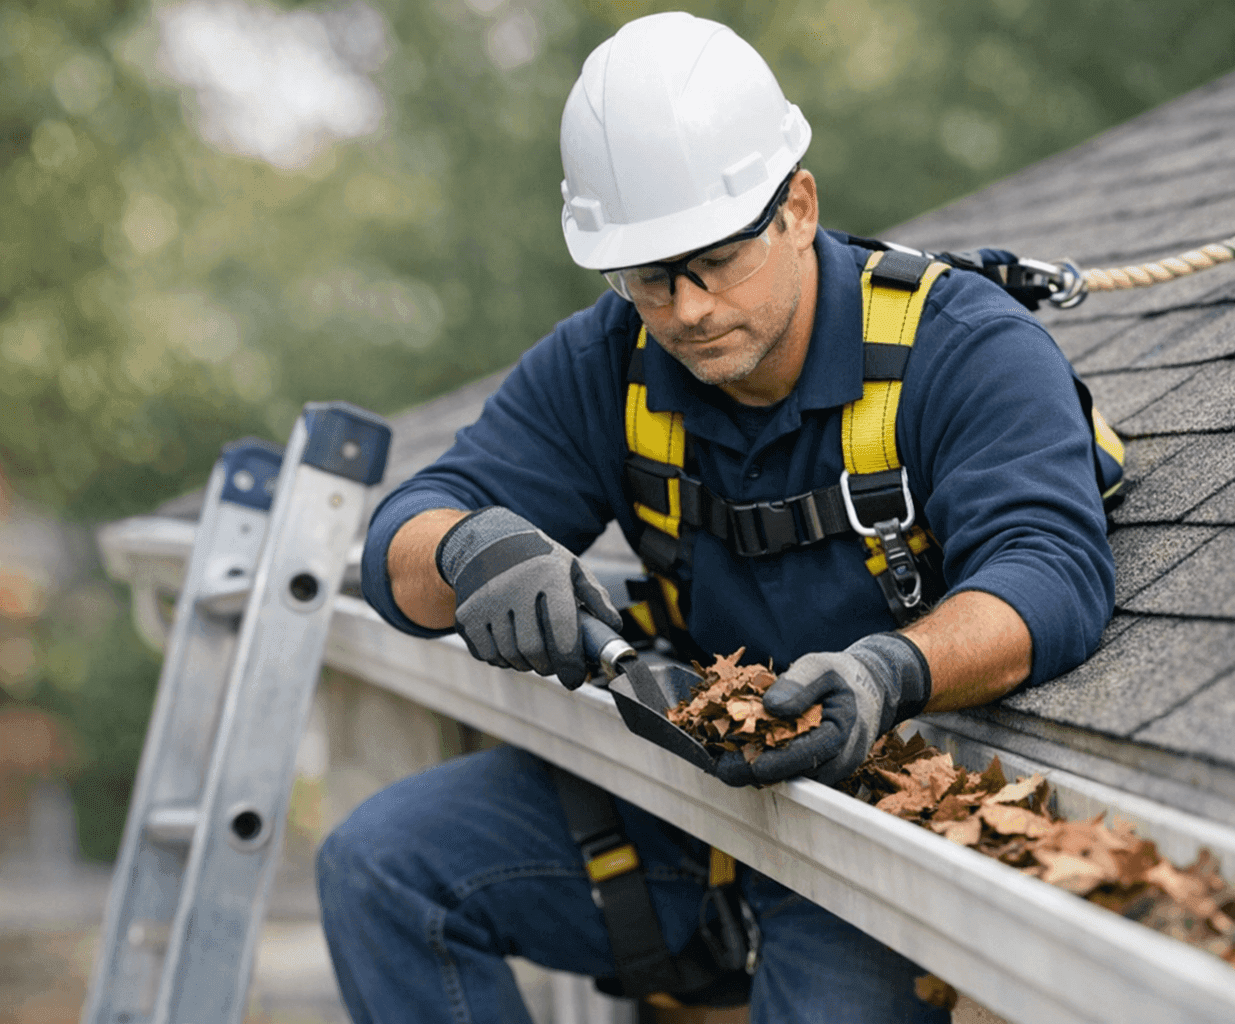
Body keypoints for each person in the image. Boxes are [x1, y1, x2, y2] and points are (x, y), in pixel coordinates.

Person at [317, 11, 1114, 1023]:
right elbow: (406, 536)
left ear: (798, 208)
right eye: (649, 275)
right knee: (380, 866)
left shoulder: (961, 348)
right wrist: (470, 550)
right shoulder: (609, 362)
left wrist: (886, 672)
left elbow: (1052, 571)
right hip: (686, 798)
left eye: (715, 260)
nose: (686, 308)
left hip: (879, 822)